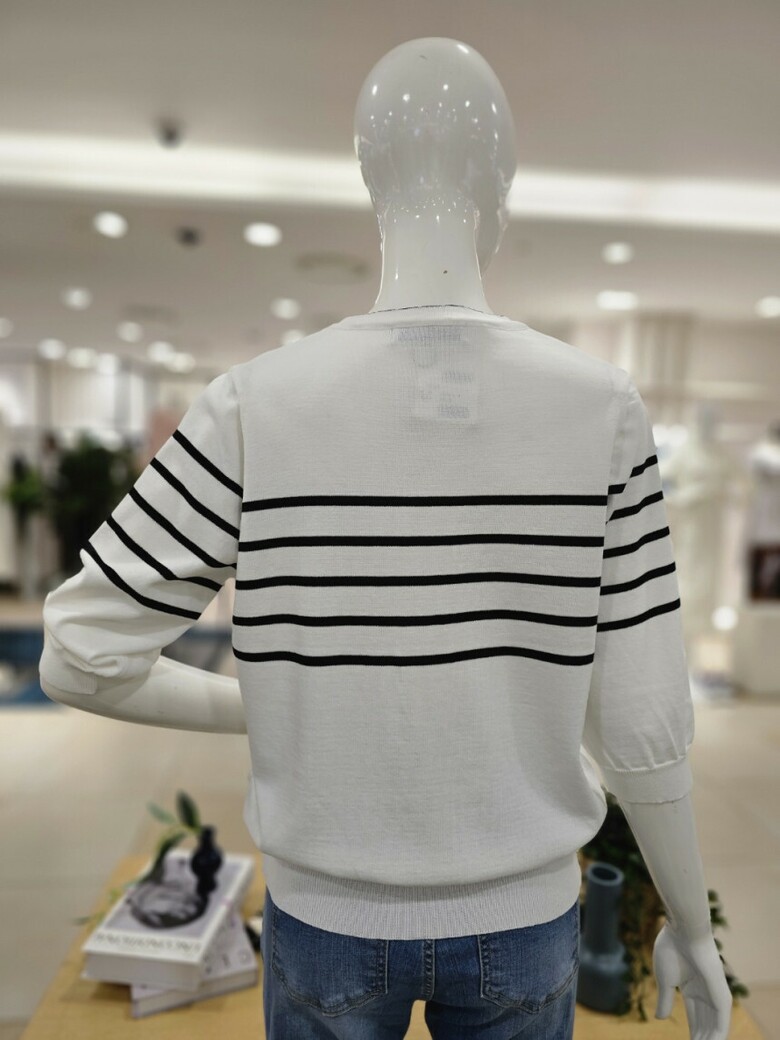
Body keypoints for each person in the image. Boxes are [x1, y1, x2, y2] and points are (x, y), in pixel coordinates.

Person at [39, 37, 732, 1040]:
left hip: (324, 922)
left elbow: (77, 655)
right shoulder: (602, 409)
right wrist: (692, 925)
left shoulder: (251, 405)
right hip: (523, 919)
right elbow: (642, 720)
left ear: (371, 180)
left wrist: (275, 709)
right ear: (502, 184)